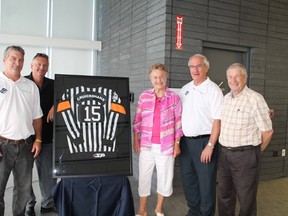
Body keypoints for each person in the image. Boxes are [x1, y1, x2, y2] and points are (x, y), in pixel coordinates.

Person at [217, 63, 273, 216]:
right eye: (230, 76)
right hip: (224, 154)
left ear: (245, 78)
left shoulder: (255, 99)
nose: (233, 80)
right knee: (224, 195)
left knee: (246, 198)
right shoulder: (226, 98)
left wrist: (254, 152)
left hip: (246, 156)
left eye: (237, 76)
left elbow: (267, 131)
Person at [133, 63, 183, 216]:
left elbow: (178, 123)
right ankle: (142, 210)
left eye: (161, 77)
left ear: (166, 77)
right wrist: (136, 140)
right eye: (155, 77)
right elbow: (138, 120)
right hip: (146, 145)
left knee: (164, 177)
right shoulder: (144, 96)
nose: (158, 80)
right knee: (144, 177)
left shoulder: (174, 98)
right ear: (151, 79)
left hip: (166, 146)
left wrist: (177, 144)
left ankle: (158, 208)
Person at [0, 45, 43, 216]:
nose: (17, 63)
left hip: (26, 147)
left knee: (23, 191)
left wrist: (38, 139)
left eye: (21, 60)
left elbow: (37, 117)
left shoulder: (31, 86)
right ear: (4, 60)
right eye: (13, 58)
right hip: (2, 146)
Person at [179, 54, 223, 216]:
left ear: (206, 67)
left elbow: (217, 121)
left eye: (199, 66)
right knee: (189, 181)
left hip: (205, 143)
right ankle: (194, 212)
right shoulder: (185, 89)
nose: (195, 70)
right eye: (192, 66)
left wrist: (210, 146)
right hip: (186, 143)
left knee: (206, 185)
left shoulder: (213, 90)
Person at [25, 53, 57, 216]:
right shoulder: (22, 83)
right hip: (25, 138)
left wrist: (56, 105)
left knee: (48, 173)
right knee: (24, 174)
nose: (41, 67)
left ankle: (47, 203)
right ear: (31, 65)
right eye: (38, 64)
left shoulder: (54, 84)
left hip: (48, 135)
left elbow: (69, 97)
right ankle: (29, 203)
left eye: (45, 65)